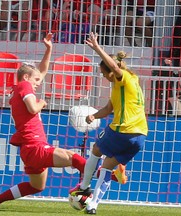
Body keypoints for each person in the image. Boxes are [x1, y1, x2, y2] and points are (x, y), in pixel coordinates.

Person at [0, 33, 126, 209]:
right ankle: (110, 176)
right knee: (72, 157)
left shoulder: (18, 89)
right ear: (26, 78)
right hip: (34, 146)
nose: (38, 83)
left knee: (37, 186)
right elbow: (33, 108)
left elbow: (41, 71)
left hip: (28, 149)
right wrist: (41, 102)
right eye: (35, 80)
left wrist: (49, 49)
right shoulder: (24, 86)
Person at [69, 32, 148, 214]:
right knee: (106, 167)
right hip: (140, 137)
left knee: (96, 150)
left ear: (112, 71)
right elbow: (108, 108)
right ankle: (93, 205)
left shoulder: (124, 79)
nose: (103, 76)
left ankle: (84, 186)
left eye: (104, 73)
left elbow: (113, 66)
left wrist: (97, 48)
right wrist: (94, 116)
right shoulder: (130, 82)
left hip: (123, 130)